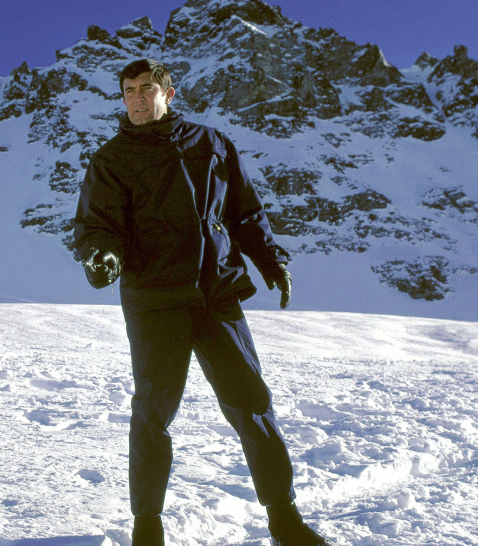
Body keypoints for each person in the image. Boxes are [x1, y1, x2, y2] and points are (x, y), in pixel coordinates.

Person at [72, 59, 328, 545]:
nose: (137, 99)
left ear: (169, 91)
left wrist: (271, 262)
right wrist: (101, 256)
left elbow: (245, 211)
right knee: (153, 413)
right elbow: (97, 226)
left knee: (251, 404)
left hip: (217, 295)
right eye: (128, 91)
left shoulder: (212, 144)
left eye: (146, 88)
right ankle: (147, 527)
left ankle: (284, 519)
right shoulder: (111, 159)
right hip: (154, 301)